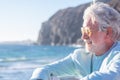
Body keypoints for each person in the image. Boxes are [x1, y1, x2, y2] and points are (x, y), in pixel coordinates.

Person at [30, 2, 120, 80]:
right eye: (83, 30)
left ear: (108, 32)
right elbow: (46, 70)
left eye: (87, 31)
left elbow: (112, 76)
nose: (83, 37)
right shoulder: (81, 57)